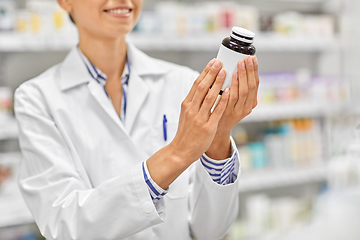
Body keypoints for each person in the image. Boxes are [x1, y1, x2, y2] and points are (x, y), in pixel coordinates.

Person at [14, 0, 259, 239]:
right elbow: (65, 225)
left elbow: (210, 231)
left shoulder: (183, 82)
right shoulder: (37, 99)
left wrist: (218, 137)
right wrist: (177, 153)